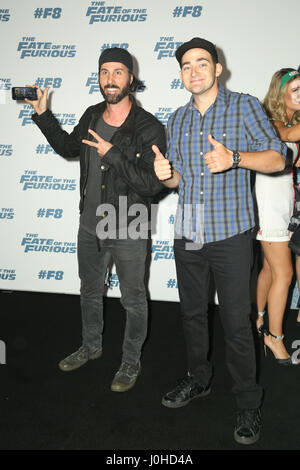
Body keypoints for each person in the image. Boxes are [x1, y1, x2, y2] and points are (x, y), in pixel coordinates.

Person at [152, 37, 287, 445]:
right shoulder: (175, 118)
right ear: (180, 74)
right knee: (192, 315)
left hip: (231, 234)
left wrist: (235, 158)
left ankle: (247, 402)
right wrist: (165, 174)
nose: (194, 71)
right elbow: (178, 180)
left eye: (202, 63)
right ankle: (199, 379)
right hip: (189, 234)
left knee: (235, 323)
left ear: (218, 68)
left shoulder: (243, 106)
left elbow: (279, 157)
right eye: (187, 65)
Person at [26, 47, 166, 392]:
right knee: (89, 291)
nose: (110, 79)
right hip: (90, 222)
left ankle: (130, 362)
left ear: (131, 78)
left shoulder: (148, 127)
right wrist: (44, 115)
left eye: (118, 72)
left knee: (133, 300)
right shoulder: (91, 115)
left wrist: (113, 154)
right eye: (105, 72)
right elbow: (68, 148)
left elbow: (152, 186)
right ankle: (91, 346)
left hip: (130, 222)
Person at [255, 68, 300, 363]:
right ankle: (274, 337)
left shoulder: (292, 123)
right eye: (296, 89)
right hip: (270, 202)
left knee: (271, 270)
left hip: (287, 203)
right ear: (280, 93)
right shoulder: (269, 123)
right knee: (285, 273)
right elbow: (284, 136)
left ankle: (258, 319)